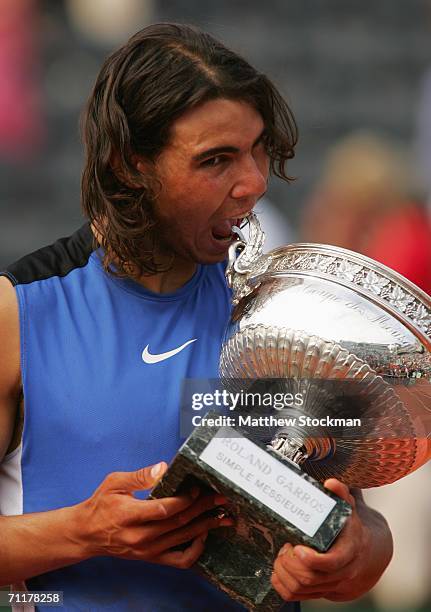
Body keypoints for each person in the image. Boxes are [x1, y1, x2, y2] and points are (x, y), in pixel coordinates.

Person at [0, 23, 393, 611]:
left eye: (259, 148)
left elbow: (361, 525)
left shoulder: (283, 315)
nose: (255, 182)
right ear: (129, 163)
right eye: (217, 160)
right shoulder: (20, 312)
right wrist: (85, 531)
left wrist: (352, 556)